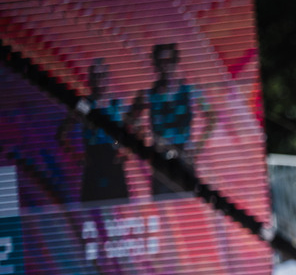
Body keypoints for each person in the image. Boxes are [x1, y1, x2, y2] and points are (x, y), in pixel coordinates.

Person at [127, 42, 216, 196]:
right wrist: (142, 135)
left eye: (169, 61)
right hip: (160, 160)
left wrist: (197, 148)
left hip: (184, 160)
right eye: (162, 61)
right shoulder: (147, 95)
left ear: (176, 61)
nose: (166, 66)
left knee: (187, 201)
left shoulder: (190, 91)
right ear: (155, 64)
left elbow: (211, 118)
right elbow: (129, 120)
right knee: (163, 202)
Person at [57, 59, 129, 202]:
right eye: (95, 76)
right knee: (93, 206)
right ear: (90, 80)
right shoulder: (85, 105)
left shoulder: (117, 104)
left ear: (107, 78)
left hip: (113, 162)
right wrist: (76, 155)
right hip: (93, 160)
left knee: (119, 204)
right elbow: (62, 134)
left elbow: (130, 133)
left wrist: (125, 151)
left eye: (102, 76)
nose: (98, 80)